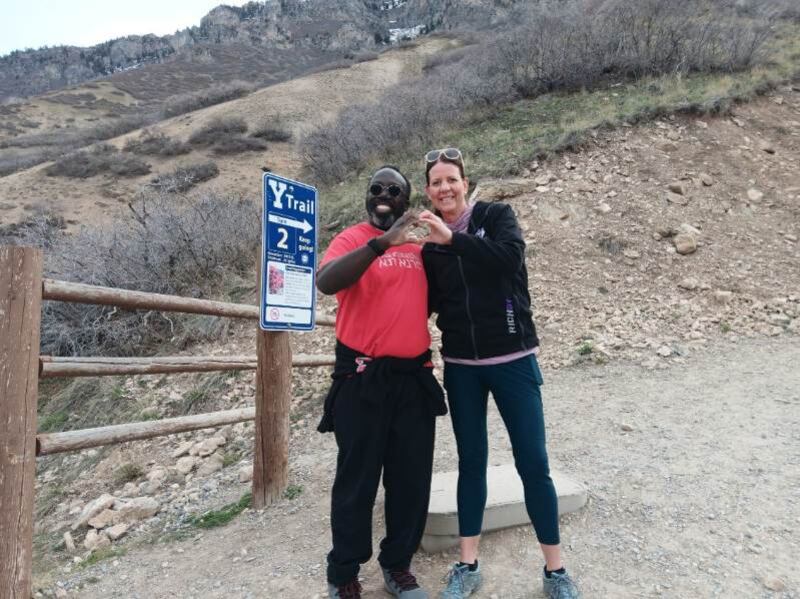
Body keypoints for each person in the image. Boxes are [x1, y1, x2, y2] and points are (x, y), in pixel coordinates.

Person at [418, 149, 580, 599]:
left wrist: (453, 239)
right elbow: (428, 302)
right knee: (471, 464)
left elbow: (509, 260)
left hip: (513, 360)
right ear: (428, 192)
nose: (445, 188)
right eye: (436, 182)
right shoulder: (429, 242)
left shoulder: (497, 215)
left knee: (534, 463)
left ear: (465, 182)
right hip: (463, 368)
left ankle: (556, 571)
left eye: (451, 179)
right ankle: (467, 565)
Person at [316, 165, 447, 599]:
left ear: (407, 201)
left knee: (411, 479)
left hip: (413, 377)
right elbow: (326, 281)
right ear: (367, 197)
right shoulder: (353, 239)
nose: (384, 194)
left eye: (394, 190)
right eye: (376, 189)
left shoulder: (421, 247)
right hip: (362, 377)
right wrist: (381, 244)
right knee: (358, 478)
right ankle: (344, 572)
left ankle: (398, 565)